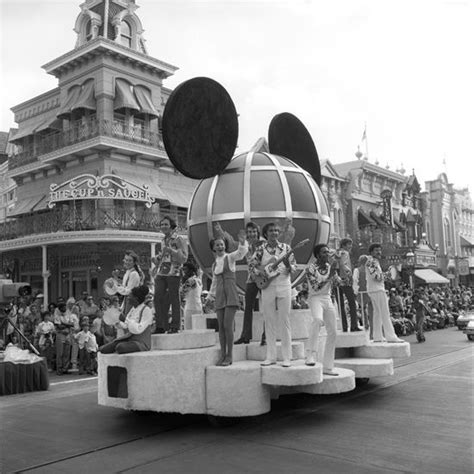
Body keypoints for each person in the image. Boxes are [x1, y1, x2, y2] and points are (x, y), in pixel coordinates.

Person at [250, 222, 296, 367]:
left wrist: (289, 266)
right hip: (268, 286)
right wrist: (262, 272)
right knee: (269, 321)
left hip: (284, 284)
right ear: (266, 233)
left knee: (285, 320)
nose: (274, 233)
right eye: (271, 230)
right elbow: (252, 266)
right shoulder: (260, 249)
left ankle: (287, 357)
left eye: (276, 230)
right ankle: (271, 356)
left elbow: (294, 266)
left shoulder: (286, 248)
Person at [215, 221, 265, 345]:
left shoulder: (264, 244)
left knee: (266, 308)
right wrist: (221, 231)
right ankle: (245, 335)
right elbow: (232, 244)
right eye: (249, 232)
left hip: (264, 278)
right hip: (251, 278)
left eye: (254, 232)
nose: (252, 234)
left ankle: (266, 335)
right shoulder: (245, 245)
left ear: (257, 232)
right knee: (248, 307)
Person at [208, 230, 248, 366]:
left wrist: (242, 242)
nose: (220, 246)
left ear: (224, 245)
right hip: (219, 295)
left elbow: (240, 253)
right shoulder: (215, 264)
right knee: (221, 327)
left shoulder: (229, 258)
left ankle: (230, 355)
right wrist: (209, 297)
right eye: (217, 245)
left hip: (230, 294)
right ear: (213, 248)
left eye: (221, 244)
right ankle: (222, 354)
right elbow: (214, 282)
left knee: (227, 325)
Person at [304, 244, 340, 374]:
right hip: (315, 298)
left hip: (327, 298)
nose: (328, 255)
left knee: (333, 332)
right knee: (318, 320)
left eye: (328, 252)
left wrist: (342, 272)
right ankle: (310, 354)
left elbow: (337, 283)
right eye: (325, 252)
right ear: (318, 255)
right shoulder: (310, 269)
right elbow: (316, 287)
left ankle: (328, 366)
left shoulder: (330, 267)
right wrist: (330, 275)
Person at [153, 216, 188, 334]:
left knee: (174, 298)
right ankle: (161, 325)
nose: (163, 227)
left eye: (166, 224)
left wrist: (171, 251)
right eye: (162, 224)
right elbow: (164, 256)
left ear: (171, 226)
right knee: (157, 297)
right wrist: (157, 258)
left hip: (174, 270)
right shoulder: (163, 240)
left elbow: (184, 258)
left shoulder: (179, 239)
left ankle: (175, 325)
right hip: (162, 270)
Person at [365, 243, 403, 343]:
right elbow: (376, 277)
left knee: (377, 313)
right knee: (385, 313)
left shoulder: (373, 261)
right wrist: (388, 274)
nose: (379, 252)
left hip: (374, 289)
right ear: (371, 252)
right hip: (377, 289)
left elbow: (377, 276)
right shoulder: (371, 262)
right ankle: (391, 336)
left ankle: (377, 336)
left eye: (379, 250)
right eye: (376, 250)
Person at [100, 285, 154, 354]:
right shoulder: (133, 309)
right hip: (130, 339)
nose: (128, 298)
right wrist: (116, 321)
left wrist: (125, 319)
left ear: (136, 298)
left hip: (142, 342)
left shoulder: (146, 310)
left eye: (130, 296)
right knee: (104, 349)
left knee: (120, 347)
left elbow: (138, 329)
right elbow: (125, 326)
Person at [335, 238, 360, 332]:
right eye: (349, 245)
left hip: (336, 279)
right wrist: (349, 273)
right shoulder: (345, 253)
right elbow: (343, 264)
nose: (350, 247)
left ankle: (344, 326)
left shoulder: (337, 253)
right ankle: (354, 325)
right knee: (352, 303)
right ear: (344, 245)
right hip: (345, 279)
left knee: (340, 304)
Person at [116, 250, 144, 319]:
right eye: (126, 260)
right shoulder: (127, 273)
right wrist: (122, 307)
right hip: (128, 302)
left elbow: (128, 291)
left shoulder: (134, 274)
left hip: (132, 303)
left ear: (134, 263)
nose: (127, 262)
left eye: (130, 260)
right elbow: (125, 292)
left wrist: (115, 288)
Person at [353, 255, 374, 338]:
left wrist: (355, 291)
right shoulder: (370, 270)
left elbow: (355, 280)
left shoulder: (357, 270)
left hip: (361, 291)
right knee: (371, 311)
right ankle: (372, 330)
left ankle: (366, 325)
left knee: (363, 309)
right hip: (370, 291)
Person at [180, 261, 203, 330]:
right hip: (199, 307)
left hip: (190, 308)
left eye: (185, 269)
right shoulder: (198, 280)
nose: (184, 272)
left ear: (191, 270)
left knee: (188, 330)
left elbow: (181, 292)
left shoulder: (190, 281)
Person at [53, 302, 75, 375]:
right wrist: (67, 325)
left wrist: (63, 324)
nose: (64, 308)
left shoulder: (69, 315)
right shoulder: (57, 316)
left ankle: (65, 368)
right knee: (60, 353)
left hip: (68, 334)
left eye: (65, 307)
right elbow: (59, 326)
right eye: (63, 307)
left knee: (67, 353)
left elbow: (72, 324)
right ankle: (59, 369)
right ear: (60, 309)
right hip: (60, 334)